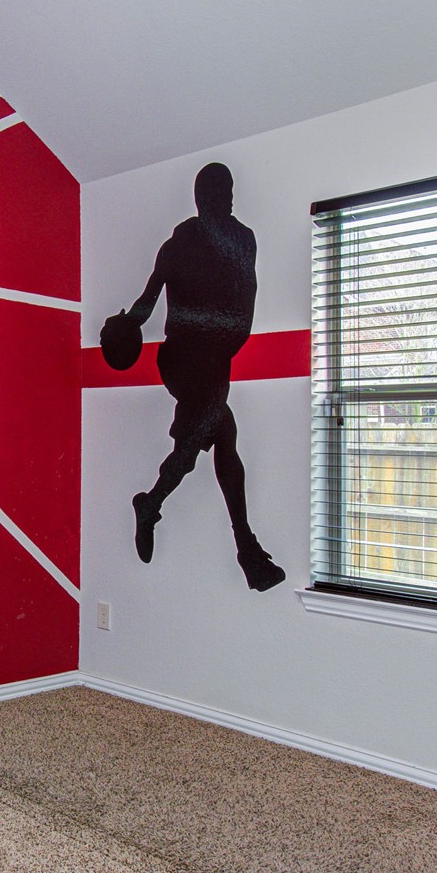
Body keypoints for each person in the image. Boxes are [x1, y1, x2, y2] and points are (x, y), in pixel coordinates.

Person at [105, 162, 286, 591]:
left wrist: (222, 341)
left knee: (220, 434)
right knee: (217, 430)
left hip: (217, 357)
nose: (220, 199)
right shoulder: (180, 241)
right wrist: (123, 326)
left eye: (225, 191)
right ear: (199, 197)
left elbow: (246, 297)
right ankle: (246, 550)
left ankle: (151, 503)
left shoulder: (244, 240)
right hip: (182, 359)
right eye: (211, 192)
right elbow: (148, 302)